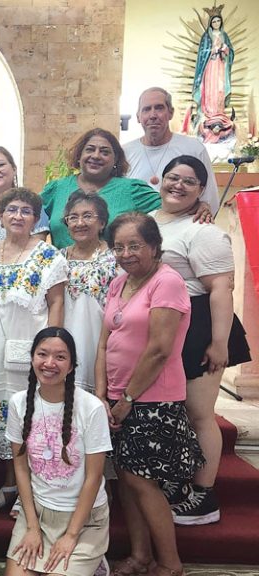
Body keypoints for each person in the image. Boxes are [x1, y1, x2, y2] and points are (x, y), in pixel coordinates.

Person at [95, 212, 202, 576]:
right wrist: (101, 393)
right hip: (117, 398)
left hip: (151, 400)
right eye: (118, 246)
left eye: (135, 245)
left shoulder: (167, 281)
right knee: (126, 480)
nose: (126, 253)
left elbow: (159, 348)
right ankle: (140, 556)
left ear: (155, 246)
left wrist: (127, 399)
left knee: (143, 483)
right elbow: (105, 341)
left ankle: (170, 564)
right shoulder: (119, 283)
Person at [153, 156, 250, 526]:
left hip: (200, 324)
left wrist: (219, 343)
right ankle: (180, 484)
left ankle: (205, 496)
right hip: (164, 322)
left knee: (199, 413)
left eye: (189, 181)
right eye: (172, 177)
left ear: (200, 190)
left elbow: (221, 288)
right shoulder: (152, 219)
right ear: (160, 180)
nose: (178, 185)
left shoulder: (202, 230)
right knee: (175, 413)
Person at [0, 188, 68, 512]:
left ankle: (31, 492)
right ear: (1, 216)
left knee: (30, 417)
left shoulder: (49, 257)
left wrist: (52, 349)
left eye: (26, 211)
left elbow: (56, 302)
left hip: (31, 346)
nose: (18, 216)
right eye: (11, 210)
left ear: (35, 218)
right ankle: (9, 484)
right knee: (5, 419)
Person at [4, 327, 111, 576]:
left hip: (84, 520)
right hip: (39, 514)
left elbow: (94, 477)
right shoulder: (19, 403)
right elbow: (20, 467)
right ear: (32, 358)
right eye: (42, 354)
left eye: (60, 357)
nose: (49, 363)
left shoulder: (91, 408)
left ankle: (93, 561)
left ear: (72, 366)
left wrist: (71, 535)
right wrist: (31, 526)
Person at [40, 128, 160, 250]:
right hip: (61, 267)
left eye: (105, 152)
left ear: (115, 159)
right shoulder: (56, 189)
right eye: (90, 150)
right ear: (79, 155)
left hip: (115, 267)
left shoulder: (132, 190)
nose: (96, 156)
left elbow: (171, 209)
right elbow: (31, 218)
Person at [123, 87, 219, 211]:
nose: (153, 115)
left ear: (171, 113)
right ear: (138, 116)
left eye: (159, 108)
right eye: (146, 109)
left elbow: (209, 199)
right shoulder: (125, 152)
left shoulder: (193, 149)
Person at [61, 192, 116, 393]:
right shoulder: (57, 258)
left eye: (88, 216)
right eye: (73, 217)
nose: (80, 223)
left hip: (98, 343)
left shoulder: (114, 259)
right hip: (62, 341)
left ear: (102, 223)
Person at [190, 11, 234, 143]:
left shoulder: (224, 36)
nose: (216, 24)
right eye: (214, 21)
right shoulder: (206, 36)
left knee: (219, 89)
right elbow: (202, 53)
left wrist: (225, 49)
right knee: (210, 89)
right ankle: (208, 112)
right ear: (211, 23)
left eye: (218, 21)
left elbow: (231, 52)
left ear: (221, 22)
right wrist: (212, 50)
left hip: (220, 66)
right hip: (209, 66)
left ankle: (218, 112)